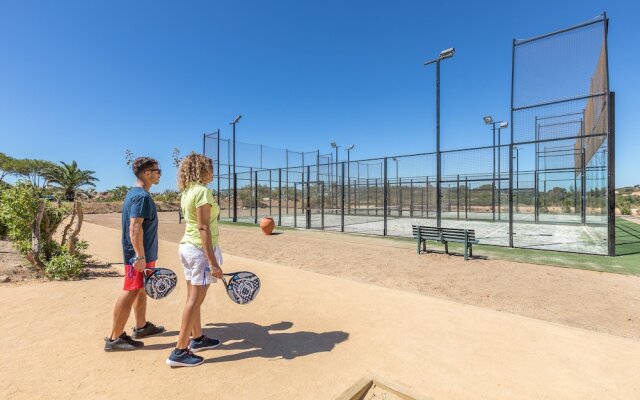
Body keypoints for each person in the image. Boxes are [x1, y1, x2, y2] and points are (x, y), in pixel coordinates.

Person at [166, 153, 223, 367]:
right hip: (199, 251)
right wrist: (213, 262)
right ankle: (179, 352)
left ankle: (197, 338)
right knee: (195, 299)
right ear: (202, 169)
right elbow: (203, 227)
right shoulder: (202, 192)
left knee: (193, 296)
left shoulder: (188, 191)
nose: (213, 171)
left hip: (188, 248)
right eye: (210, 167)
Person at [104, 157, 166, 351]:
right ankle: (114, 338)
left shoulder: (136, 194)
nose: (160, 173)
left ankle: (141, 326)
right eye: (157, 170)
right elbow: (135, 227)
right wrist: (139, 256)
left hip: (144, 254)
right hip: (138, 256)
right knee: (131, 290)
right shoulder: (141, 197)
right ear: (147, 174)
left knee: (141, 289)